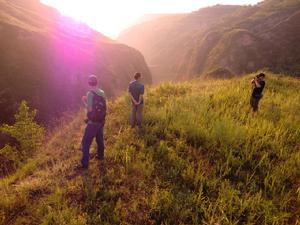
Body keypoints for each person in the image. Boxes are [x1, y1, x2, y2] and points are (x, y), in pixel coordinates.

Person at [78, 75, 106, 169]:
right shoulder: (102, 92)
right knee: (99, 139)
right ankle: (101, 156)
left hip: (92, 122)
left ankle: (84, 163)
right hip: (101, 120)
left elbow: (89, 109)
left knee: (85, 142)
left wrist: (84, 101)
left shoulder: (90, 94)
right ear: (97, 82)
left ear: (89, 84)